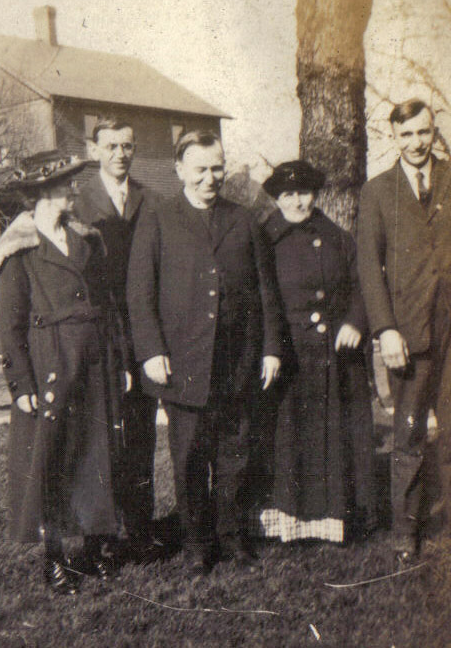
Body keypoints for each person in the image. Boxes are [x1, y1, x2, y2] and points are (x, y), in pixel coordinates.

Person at [126, 130, 283, 575]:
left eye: (217, 168)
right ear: (180, 171)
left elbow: (266, 291)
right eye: (200, 170)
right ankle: (197, 542)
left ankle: (231, 536)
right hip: (184, 363)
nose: (210, 178)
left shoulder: (245, 218)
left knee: (235, 454)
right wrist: (151, 350)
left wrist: (270, 349)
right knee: (191, 457)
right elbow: (140, 293)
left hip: (237, 361)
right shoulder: (157, 219)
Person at [0, 153, 122, 595]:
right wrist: (20, 383)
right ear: (43, 193)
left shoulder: (86, 239)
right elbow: (9, 325)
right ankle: (55, 559)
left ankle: (99, 546)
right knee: (50, 461)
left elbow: (108, 307)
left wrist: (117, 360)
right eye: (67, 184)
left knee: (95, 454)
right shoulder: (18, 249)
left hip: (94, 359)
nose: (75, 190)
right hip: (49, 363)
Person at [357, 98, 451, 561]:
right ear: (394, 137)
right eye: (406, 135)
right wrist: (385, 329)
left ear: (433, 131)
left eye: (423, 132)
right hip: (407, 332)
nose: (416, 143)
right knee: (407, 433)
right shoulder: (377, 192)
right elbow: (369, 267)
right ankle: (406, 530)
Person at [259, 161, 375, 545]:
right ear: (277, 198)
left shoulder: (338, 236)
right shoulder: (264, 238)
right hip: (289, 355)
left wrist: (356, 322)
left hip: (336, 355)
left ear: (316, 194)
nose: (297, 201)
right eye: (288, 194)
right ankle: (289, 525)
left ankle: (338, 520)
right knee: (290, 438)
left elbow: (364, 284)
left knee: (335, 437)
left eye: (304, 192)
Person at [74, 117, 159, 561]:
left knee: (142, 433)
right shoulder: (78, 202)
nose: (120, 154)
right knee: (103, 436)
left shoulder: (151, 199)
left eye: (127, 146)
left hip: (143, 329)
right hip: (102, 333)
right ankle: (101, 535)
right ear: (95, 150)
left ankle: (142, 530)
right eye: (111, 146)